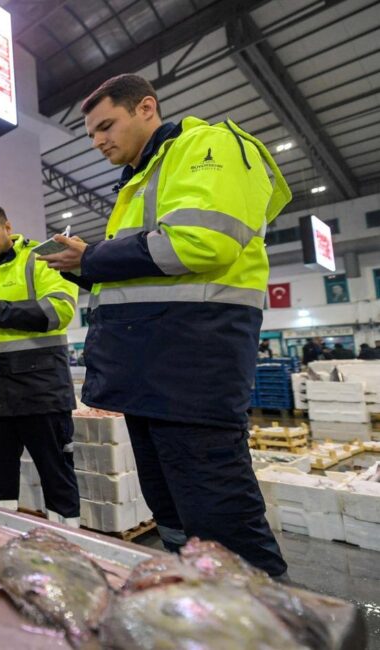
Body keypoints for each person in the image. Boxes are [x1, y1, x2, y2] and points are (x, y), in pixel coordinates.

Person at [38, 74, 290, 575]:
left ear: (146, 108)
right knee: (171, 508)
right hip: (150, 370)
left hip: (193, 362)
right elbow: (137, 278)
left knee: (218, 511)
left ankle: (269, 618)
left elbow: (203, 240)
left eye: (106, 125)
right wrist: (86, 269)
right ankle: (197, 602)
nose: (98, 141)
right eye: (91, 134)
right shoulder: (138, 182)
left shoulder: (208, 145)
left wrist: (96, 256)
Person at [0, 204, 81, 528]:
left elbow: (60, 310)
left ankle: (67, 547)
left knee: (56, 476)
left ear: (8, 227)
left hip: (41, 392)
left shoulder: (39, 260)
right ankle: (4, 539)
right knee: (1, 480)